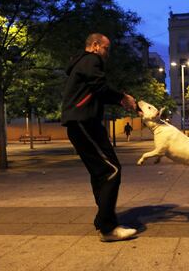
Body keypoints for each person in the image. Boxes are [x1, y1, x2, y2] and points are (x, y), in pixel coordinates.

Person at [61, 33, 138, 242]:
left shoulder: (81, 63)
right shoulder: (91, 60)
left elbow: (96, 90)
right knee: (112, 170)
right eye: (106, 48)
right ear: (95, 46)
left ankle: (103, 220)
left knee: (100, 173)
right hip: (83, 121)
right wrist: (123, 98)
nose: (107, 54)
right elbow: (100, 87)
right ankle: (108, 228)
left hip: (81, 122)